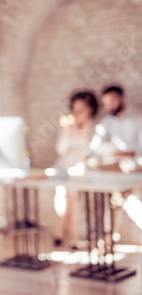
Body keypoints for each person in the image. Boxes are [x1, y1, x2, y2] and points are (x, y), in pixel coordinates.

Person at [53, 90, 98, 248]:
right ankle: (74, 238)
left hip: (83, 168)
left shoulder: (94, 127)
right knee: (66, 194)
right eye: (74, 109)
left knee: (70, 194)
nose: (77, 113)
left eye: (81, 110)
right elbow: (61, 151)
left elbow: (94, 150)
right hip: (64, 167)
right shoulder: (67, 126)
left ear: (90, 110)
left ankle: (61, 233)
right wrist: (67, 133)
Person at [89, 85, 142, 158]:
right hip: (116, 161)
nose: (109, 106)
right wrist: (88, 154)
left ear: (122, 98)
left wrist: (132, 153)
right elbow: (97, 140)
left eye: (112, 101)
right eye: (106, 103)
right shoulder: (107, 122)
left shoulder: (138, 118)